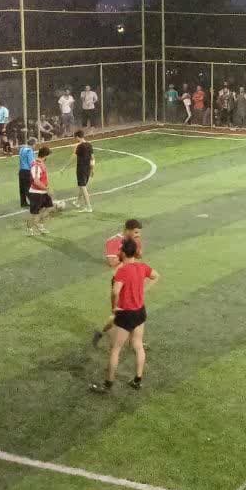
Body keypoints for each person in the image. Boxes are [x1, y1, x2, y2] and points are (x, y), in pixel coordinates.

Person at [90, 238, 158, 393]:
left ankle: (107, 384)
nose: (118, 253)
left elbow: (115, 291)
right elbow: (156, 276)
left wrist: (114, 307)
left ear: (123, 252)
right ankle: (137, 380)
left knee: (115, 349)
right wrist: (144, 290)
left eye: (119, 250)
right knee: (138, 345)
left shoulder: (123, 271)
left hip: (126, 313)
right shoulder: (142, 266)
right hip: (140, 311)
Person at [93, 218, 144, 347]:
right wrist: (127, 254)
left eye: (139, 232)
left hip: (133, 278)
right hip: (120, 281)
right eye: (136, 232)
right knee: (120, 313)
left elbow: (139, 256)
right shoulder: (113, 241)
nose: (138, 235)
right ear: (127, 230)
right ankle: (103, 333)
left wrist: (135, 248)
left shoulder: (135, 240)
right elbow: (111, 263)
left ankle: (134, 340)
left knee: (134, 310)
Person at [26, 146, 54, 235]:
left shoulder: (40, 163)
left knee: (49, 208)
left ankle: (40, 225)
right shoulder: (36, 166)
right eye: (48, 155)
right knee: (35, 214)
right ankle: (29, 228)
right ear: (45, 155)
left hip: (43, 192)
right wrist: (47, 189)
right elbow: (36, 181)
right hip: (36, 193)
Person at [73, 130, 94, 212]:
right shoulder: (89, 144)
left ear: (77, 137)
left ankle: (88, 207)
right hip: (88, 168)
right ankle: (77, 202)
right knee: (82, 186)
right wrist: (92, 169)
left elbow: (73, 157)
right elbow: (92, 158)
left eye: (75, 138)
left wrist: (64, 167)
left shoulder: (80, 146)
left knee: (83, 187)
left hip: (81, 169)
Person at [17, 139, 35, 207]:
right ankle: (33, 202)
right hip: (27, 171)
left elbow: (21, 160)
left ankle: (23, 203)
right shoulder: (29, 151)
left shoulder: (22, 149)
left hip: (21, 171)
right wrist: (34, 172)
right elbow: (31, 163)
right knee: (28, 188)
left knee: (22, 188)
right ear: (33, 144)